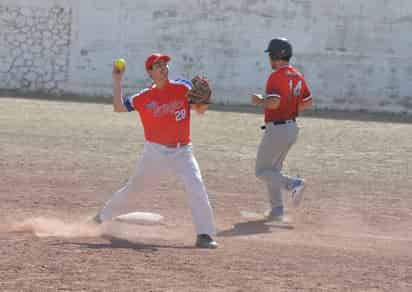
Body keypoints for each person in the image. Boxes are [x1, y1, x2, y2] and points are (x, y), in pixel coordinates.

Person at [94, 53, 218, 249]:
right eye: (158, 65)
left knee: (196, 186)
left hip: (182, 151)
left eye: (165, 64)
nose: (164, 67)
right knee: (134, 189)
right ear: (150, 72)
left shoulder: (183, 87)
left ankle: (205, 234)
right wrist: (117, 80)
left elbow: (200, 110)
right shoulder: (144, 97)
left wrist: (204, 102)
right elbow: (118, 107)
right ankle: (101, 218)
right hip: (155, 153)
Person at [251, 37, 313, 221]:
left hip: (277, 129)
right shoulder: (298, 75)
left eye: (270, 54)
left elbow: (274, 102)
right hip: (292, 127)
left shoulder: (276, 76)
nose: (269, 59)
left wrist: (260, 101)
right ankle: (277, 210)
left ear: (277, 55)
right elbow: (308, 102)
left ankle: (294, 184)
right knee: (273, 171)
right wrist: (289, 107)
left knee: (261, 171)